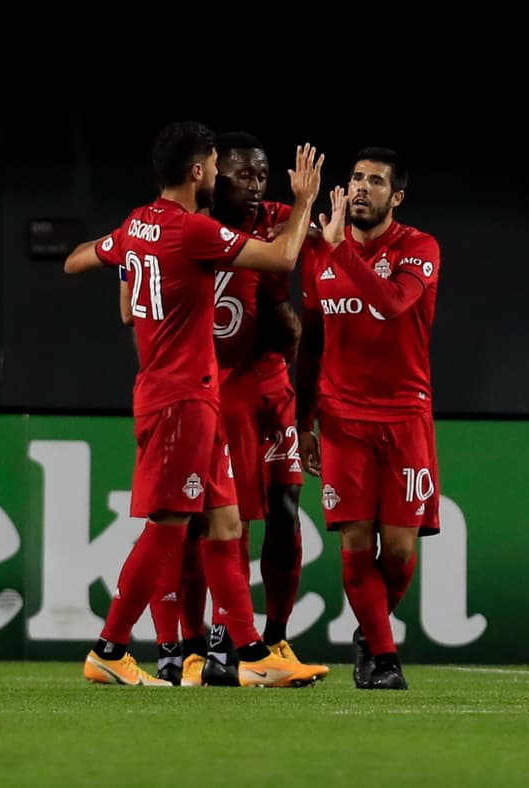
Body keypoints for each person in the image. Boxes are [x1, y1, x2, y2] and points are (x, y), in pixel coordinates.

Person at [63, 120, 328, 688]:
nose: (216, 172)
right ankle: (109, 648)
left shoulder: (137, 225)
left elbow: (79, 258)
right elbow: (283, 258)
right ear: (197, 172)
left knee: (226, 523)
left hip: (188, 396)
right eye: (212, 164)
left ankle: (251, 652)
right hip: (180, 398)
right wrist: (304, 201)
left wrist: (128, 272)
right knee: (168, 527)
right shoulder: (193, 231)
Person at [171, 132, 319, 687]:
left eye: (262, 174)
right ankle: (199, 643)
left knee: (285, 506)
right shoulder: (196, 225)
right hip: (217, 384)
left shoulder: (276, 215)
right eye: (241, 174)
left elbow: (318, 242)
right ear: (213, 175)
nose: (255, 186)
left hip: (269, 381)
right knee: (213, 519)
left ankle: (275, 637)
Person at [297, 149, 441, 690]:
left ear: (395, 197)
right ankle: (384, 658)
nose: (361, 188)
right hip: (341, 419)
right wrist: (301, 422)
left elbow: (391, 303)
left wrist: (340, 253)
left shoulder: (418, 248)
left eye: (375, 181)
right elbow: (310, 343)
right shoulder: (318, 252)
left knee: (400, 550)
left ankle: (368, 631)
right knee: (356, 543)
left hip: (405, 416)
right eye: (356, 178)